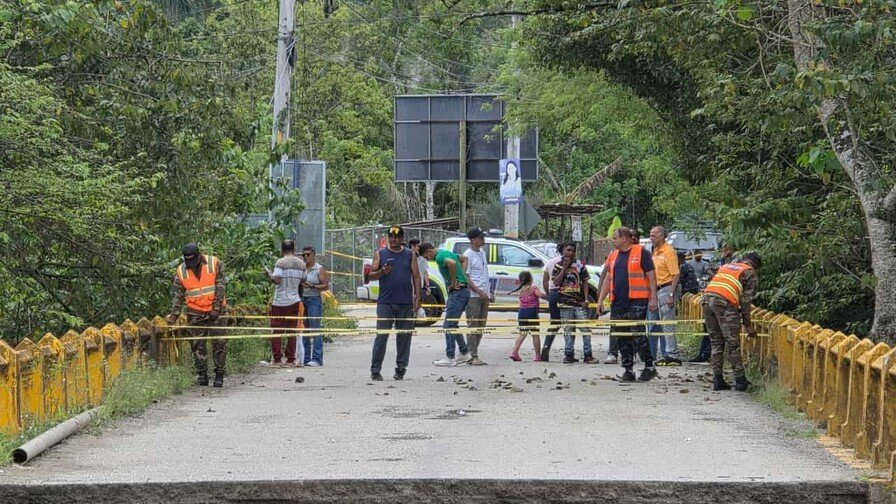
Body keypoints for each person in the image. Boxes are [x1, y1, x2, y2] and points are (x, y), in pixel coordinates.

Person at [596, 228, 659, 382]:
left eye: (615, 238)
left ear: (624, 238)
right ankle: (628, 369)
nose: (613, 240)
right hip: (618, 301)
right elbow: (608, 279)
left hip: (637, 300)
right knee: (622, 335)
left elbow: (651, 275)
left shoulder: (641, 252)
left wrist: (653, 298)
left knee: (638, 334)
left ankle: (649, 366)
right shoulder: (613, 255)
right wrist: (600, 300)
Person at [166, 243, 227, 387]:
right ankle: (202, 375)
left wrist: (216, 308)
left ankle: (219, 375)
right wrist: (174, 316)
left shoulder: (214, 263)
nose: (191, 265)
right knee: (197, 344)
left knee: (219, 343)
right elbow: (178, 295)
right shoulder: (181, 271)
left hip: (216, 311)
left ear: (199, 255)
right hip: (195, 311)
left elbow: (220, 286)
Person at [703, 252, 761, 391]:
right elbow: (746, 301)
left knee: (716, 342)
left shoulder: (728, 266)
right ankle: (740, 380)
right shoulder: (749, 272)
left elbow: (709, 269)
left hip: (706, 300)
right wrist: (748, 326)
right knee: (732, 343)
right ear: (755, 265)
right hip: (724, 303)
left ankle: (718, 379)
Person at [368, 226, 421, 381]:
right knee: (382, 336)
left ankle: (401, 368)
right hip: (386, 303)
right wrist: (381, 272)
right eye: (391, 236)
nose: (393, 239)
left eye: (397, 236)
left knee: (404, 337)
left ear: (402, 238)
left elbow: (416, 276)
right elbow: (370, 276)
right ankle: (375, 369)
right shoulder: (380, 254)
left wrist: (418, 296)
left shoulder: (410, 255)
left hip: (405, 302)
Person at [543, 242, 594, 364]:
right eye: (568, 250)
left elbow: (586, 282)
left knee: (585, 329)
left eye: (572, 251)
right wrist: (564, 269)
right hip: (565, 303)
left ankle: (588, 354)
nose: (570, 253)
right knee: (568, 329)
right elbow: (555, 283)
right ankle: (568, 354)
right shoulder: (558, 266)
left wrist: (586, 300)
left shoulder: (580, 265)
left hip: (579, 302)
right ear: (563, 251)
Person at [265, 239, 305, 367]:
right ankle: (290, 359)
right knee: (291, 331)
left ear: (282, 250)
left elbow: (277, 280)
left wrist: (269, 275)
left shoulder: (280, 262)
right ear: (294, 249)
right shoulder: (301, 264)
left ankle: (277, 359)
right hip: (295, 300)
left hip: (280, 301)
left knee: (277, 330)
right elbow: (303, 281)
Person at [648, 226, 682, 366]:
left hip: (667, 288)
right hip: (658, 290)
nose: (651, 237)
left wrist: (671, 295)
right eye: (650, 235)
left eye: (654, 235)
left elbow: (675, 274)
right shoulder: (656, 251)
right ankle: (667, 353)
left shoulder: (668, 251)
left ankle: (673, 355)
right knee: (661, 324)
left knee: (668, 324)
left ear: (662, 235)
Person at [433, 242, 471, 367]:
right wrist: (463, 276)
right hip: (462, 292)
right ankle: (464, 352)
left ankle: (450, 357)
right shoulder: (447, 252)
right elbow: (464, 259)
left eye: (427, 257)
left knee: (448, 325)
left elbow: (453, 264)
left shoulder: (439, 257)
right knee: (452, 324)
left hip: (458, 293)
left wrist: (454, 282)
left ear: (429, 251)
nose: (429, 259)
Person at [463, 227, 494, 366]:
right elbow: (466, 277)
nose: (483, 239)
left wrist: (488, 292)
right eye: (481, 237)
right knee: (473, 324)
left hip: (484, 294)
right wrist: (478, 291)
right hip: (473, 296)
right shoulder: (467, 255)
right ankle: (472, 355)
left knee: (481, 325)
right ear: (473, 240)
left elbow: (484, 274)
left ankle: (474, 352)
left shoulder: (482, 252)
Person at [509, 271, 547, 362]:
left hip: (522, 313)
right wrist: (549, 296)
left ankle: (514, 352)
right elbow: (540, 295)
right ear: (530, 279)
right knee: (535, 334)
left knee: (522, 333)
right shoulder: (533, 288)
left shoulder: (520, 289)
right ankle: (537, 356)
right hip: (532, 312)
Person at [300, 246, 329, 367]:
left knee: (315, 329)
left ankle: (317, 358)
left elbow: (326, 286)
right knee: (304, 328)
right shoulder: (301, 268)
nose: (306, 257)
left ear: (313, 255)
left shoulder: (319, 269)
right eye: (304, 255)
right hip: (302, 299)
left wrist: (313, 286)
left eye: (308, 254)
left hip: (314, 300)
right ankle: (306, 358)